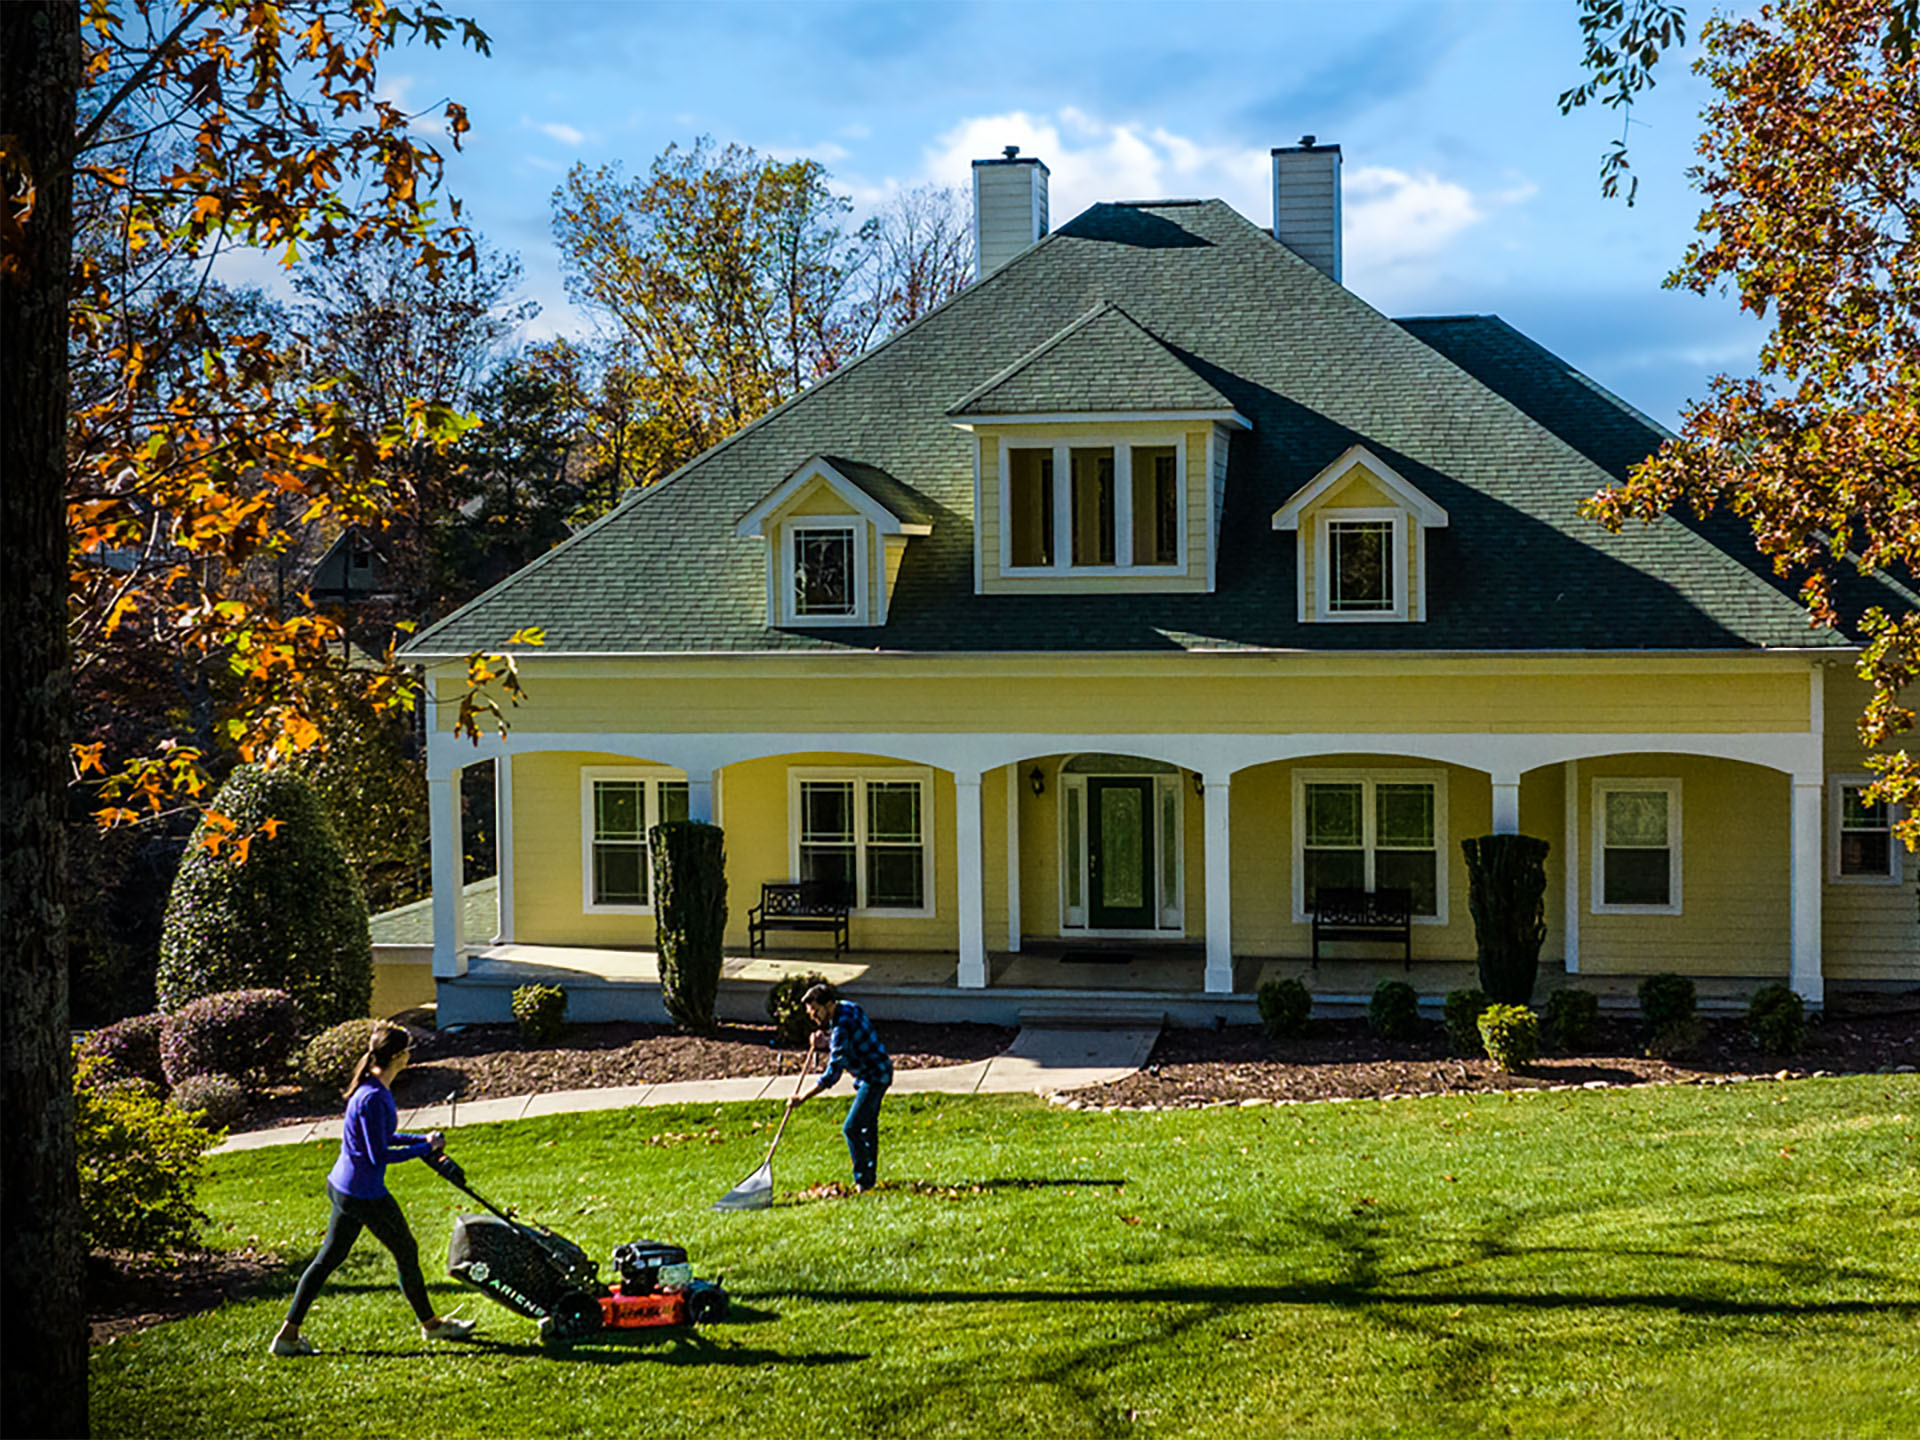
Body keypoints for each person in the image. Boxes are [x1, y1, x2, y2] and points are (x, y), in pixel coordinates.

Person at [270, 1021, 476, 1356]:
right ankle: (432, 1326)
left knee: (328, 1260)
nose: (410, 1055)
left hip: (345, 1187)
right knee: (406, 1252)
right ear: (397, 1056)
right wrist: (425, 1148)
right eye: (408, 1050)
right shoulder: (373, 1097)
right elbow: (377, 1153)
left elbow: (382, 1139)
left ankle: (287, 1337)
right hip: (363, 1194)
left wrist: (422, 1140)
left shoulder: (370, 1089)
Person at [789, 985, 893, 1192]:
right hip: (877, 1070)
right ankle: (868, 1179)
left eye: (816, 1012)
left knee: (852, 1127)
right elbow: (846, 1039)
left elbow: (833, 1074)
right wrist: (825, 1039)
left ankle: (863, 1180)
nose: (814, 1018)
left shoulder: (841, 1028)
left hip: (874, 1077)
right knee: (866, 1126)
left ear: (829, 1005)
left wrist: (802, 1098)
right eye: (811, 1014)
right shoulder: (847, 1007)